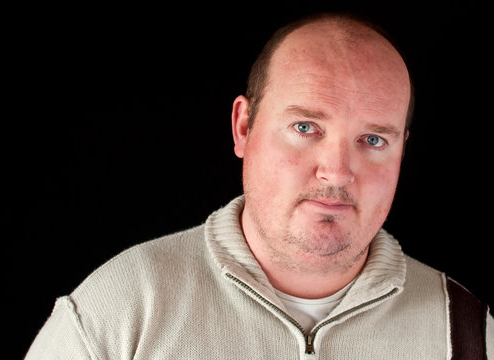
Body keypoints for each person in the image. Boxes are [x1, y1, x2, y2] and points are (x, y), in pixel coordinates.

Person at [26, 12, 493, 359]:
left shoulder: (468, 332)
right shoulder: (122, 309)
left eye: (373, 139)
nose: (336, 171)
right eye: (306, 127)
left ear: (402, 151)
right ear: (243, 127)